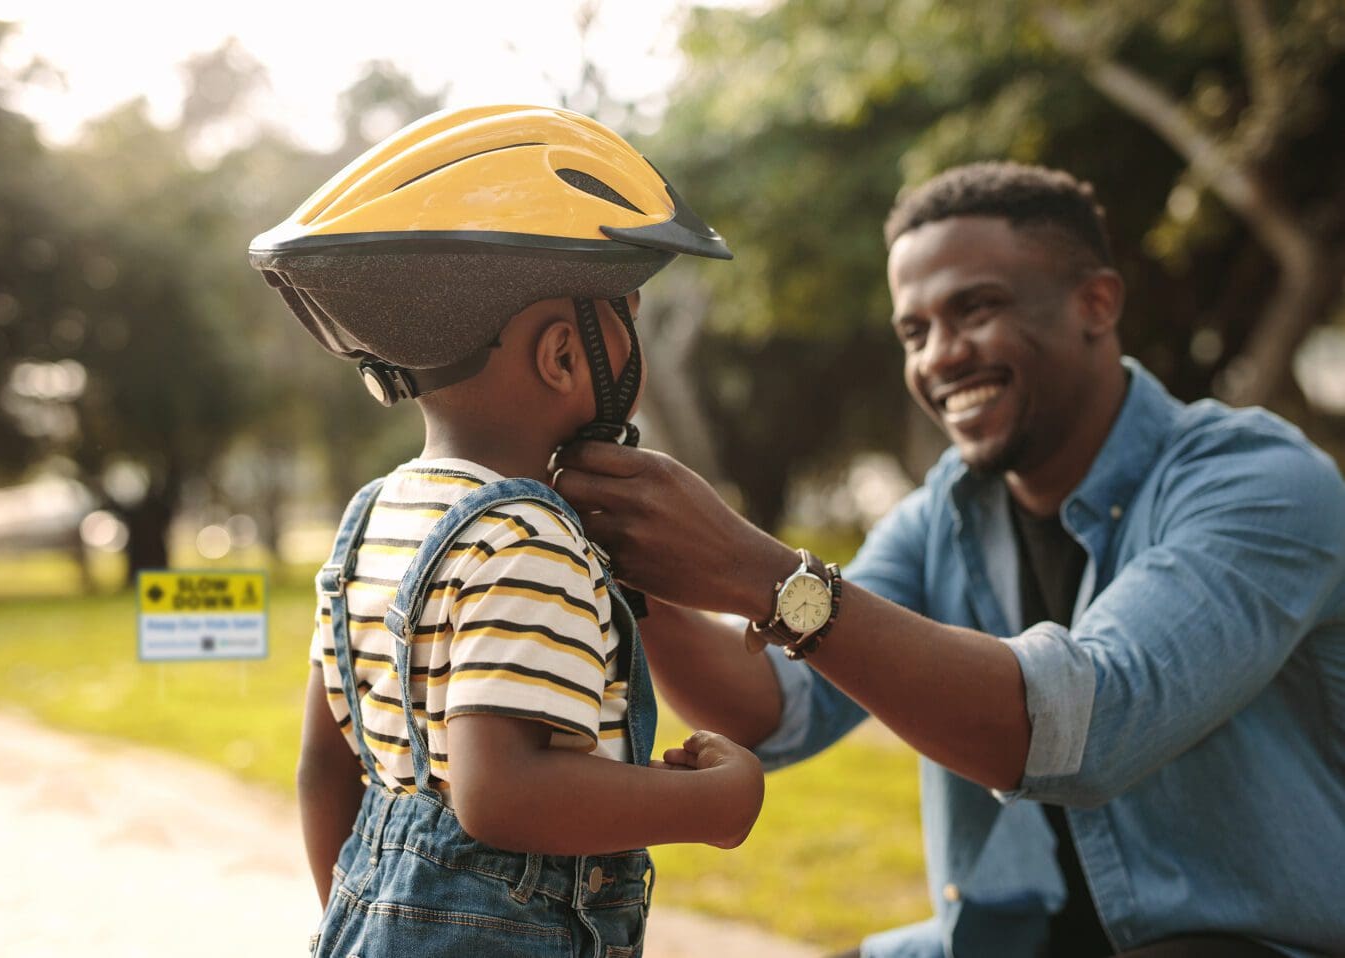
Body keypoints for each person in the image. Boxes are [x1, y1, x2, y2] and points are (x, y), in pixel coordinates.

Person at [551, 162, 1345, 958]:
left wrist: (759, 572)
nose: (940, 356)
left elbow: (1088, 728)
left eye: (976, 309)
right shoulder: (945, 512)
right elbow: (770, 708)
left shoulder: (1260, 484)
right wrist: (624, 559)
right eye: (915, 331)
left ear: (1095, 304)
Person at [249, 104, 764, 958]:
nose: (633, 334)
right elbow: (504, 795)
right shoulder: (527, 537)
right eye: (626, 313)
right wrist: (721, 804)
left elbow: (323, 766)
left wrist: (361, 920)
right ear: (564, 356)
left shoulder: (372, 517)